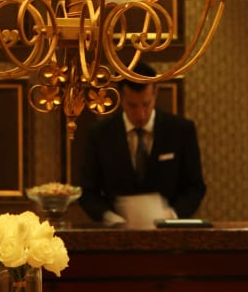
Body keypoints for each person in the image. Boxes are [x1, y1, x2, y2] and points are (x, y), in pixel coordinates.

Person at [79, 62, 206, 228]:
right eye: (132, 105)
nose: (140, 114)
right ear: (121, 97)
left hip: (169, 232)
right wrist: (109, 217)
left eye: (146, 104)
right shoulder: (99, 134)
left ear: (155, 93)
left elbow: (195, 187)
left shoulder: (181, 130)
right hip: (116, 234)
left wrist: (172, 215)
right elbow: (87, 192)